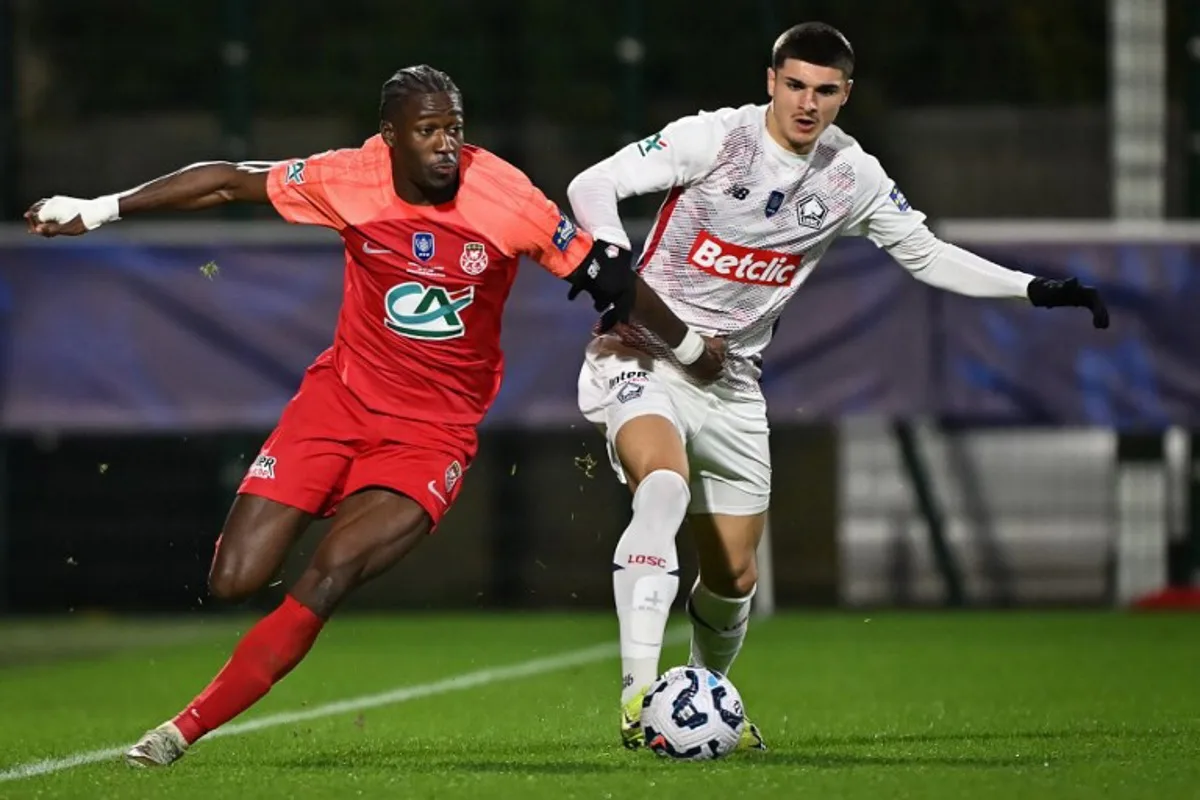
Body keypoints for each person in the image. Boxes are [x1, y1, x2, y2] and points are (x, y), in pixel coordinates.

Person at [25, 64, 725, 767]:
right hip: (337, 404)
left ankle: (179, 731)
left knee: (329, 574)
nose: (447, 145)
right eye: (427, 132)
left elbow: (607, 279)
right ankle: (313, 499)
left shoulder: (506, 195)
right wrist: (99, 208)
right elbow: (229, 179)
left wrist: (695, 350)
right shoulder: (347, 178)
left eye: (454, 128)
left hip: (432, 436)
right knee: (233, 579)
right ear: (387, 138)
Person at [566, 22, 1109, 751]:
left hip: (731, 380)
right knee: (662, 486)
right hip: (640, 351)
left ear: (845, 95)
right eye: (795, 85)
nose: (807, 103)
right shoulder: (714, 139)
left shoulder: (852, 176)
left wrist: (1034, 289)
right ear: (770, 81)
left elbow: (927, 255)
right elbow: (590, 183)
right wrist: (608, 247)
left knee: (732, 581)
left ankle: (697, 700)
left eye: (825, 91)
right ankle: (639, 699)